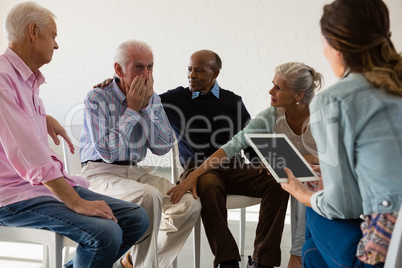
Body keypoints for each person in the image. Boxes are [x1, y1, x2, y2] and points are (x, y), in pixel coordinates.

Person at [0, 2, 149, 268]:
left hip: (38, 189)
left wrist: (41, 118)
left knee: (136, 218)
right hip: (12, 196)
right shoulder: (2, 79)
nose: (56, 45)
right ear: (33, 31)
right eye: (53, 35)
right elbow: (27, 153)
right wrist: (75, 201)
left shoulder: (26, 80)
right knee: (106, 234)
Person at [280, 0, 402, 267]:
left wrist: (301, 193)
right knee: (313, 248)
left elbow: (343, 206)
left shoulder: (334, 100)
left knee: (313, 210)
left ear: (336, 46)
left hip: (382, 256)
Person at [167, 61, 324, 268]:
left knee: (278, 180)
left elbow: (337, 158)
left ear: (298, 95)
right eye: (272, 84)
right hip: (215, 167)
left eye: (278, 87)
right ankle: (227, 261)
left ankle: (263, 261)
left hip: (312, 181)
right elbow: (234, 145)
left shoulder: (322, 118)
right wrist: (193, 175)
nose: (271, 90)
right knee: (208, 182)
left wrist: (302, 160)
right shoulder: (270, 115)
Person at [79, 39, 201, 268]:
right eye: (138, 67)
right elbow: (108, 152)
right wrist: (132, 110)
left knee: (189, 204)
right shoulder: (98, 98)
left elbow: (163, 146)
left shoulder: (152, 99)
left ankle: (134, 262)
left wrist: (145, 108)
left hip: (136, 172)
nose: (146, 74)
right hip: (100, 175)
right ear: (118, 69)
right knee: (149, 196)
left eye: (150, 66)